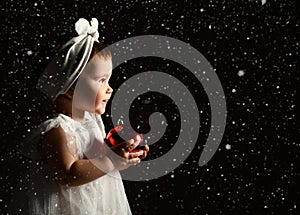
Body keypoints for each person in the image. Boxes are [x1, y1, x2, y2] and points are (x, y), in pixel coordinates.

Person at [10, 18, 149, 215]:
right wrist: (110, 160)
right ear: (69, 87)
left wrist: (119, 151)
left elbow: (94, 158)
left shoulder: (93, 121)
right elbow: (69, 174)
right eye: (101, 80)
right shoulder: (57, 130)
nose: (109, 88)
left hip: (98, 205)